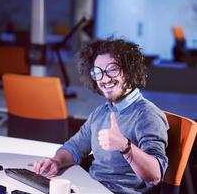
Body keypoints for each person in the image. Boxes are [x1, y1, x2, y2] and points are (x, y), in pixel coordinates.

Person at [32, 38, 169, 193]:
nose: (104, 78)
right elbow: (75, 147)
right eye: (98, 72)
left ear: (129, 70)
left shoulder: (148, 115)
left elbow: (155, 175)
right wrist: (56, 161)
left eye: (112, 69)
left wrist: (125, 147)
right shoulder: (102, 112)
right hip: (89, 187)